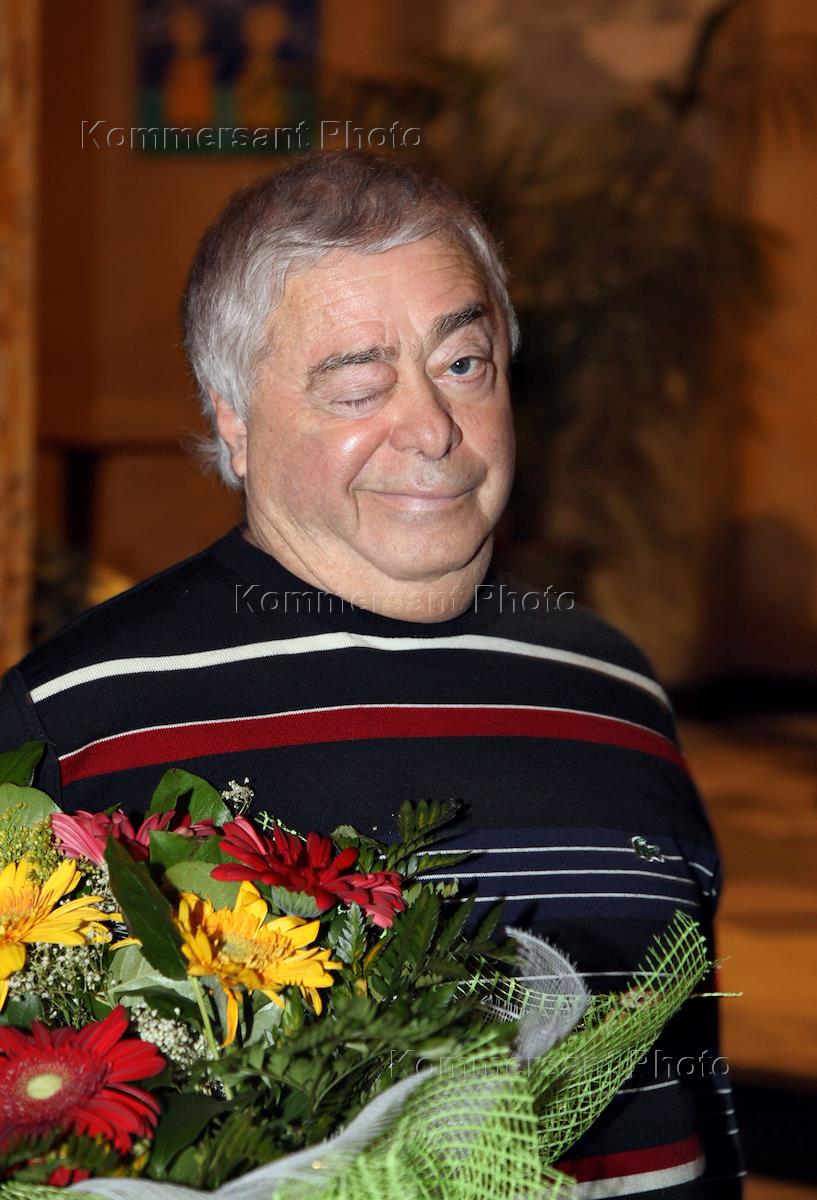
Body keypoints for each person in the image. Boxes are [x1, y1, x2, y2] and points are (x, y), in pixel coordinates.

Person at [0, 152, 743, 1196]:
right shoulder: (77, 722)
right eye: (358, 382)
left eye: (463, 364)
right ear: (233, 419)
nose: (432, 428)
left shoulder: (617, 694)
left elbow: (693, 1089)